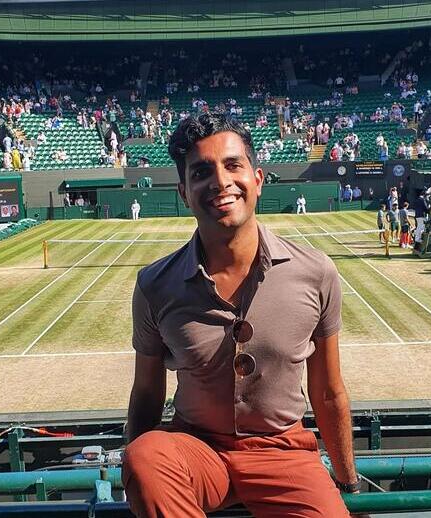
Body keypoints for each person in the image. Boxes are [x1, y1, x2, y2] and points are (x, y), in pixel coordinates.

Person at [123, 114, 357, 518]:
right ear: (184, 192)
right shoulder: (154, 285)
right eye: (201, 172)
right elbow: (146, 394)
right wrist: (137, 480)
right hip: (197, 451)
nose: (220, 181)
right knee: (145, 455)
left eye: (233, 165)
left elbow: (328, 392)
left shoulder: (316, 272)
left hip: (284, 455)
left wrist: (349, 483)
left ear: (258, 178)